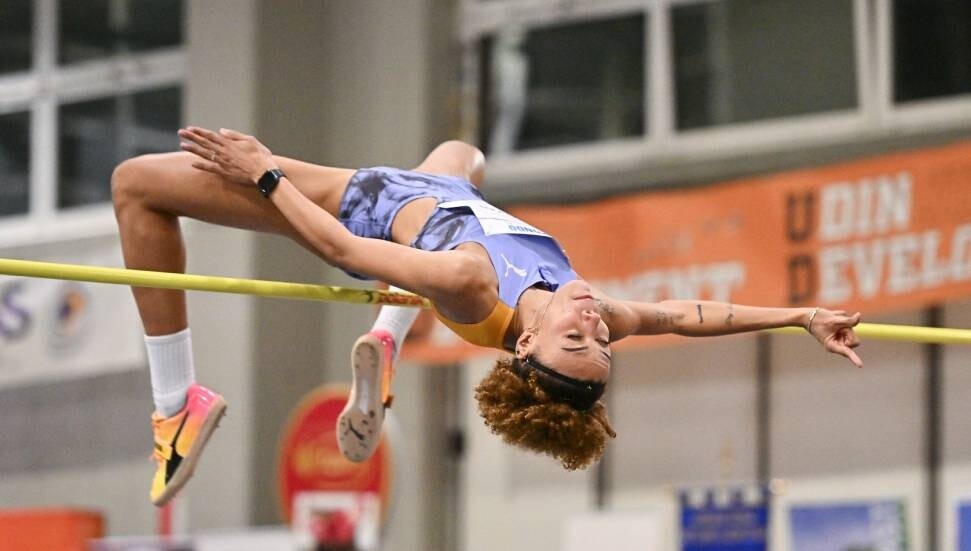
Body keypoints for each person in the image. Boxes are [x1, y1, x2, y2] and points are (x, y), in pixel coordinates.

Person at [111, 126, 863, 505]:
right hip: (434, 192)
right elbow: (689, 314)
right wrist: (798, 313)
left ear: (528, 341)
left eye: (577, 336)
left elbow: (340, 244)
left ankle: (176, 406)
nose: (594, 321)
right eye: (602, 340)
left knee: (136, 185)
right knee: (462, 153)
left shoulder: (469, 281)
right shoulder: (590, 305)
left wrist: (265, 173)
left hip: (354, 207)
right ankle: (386, 340)